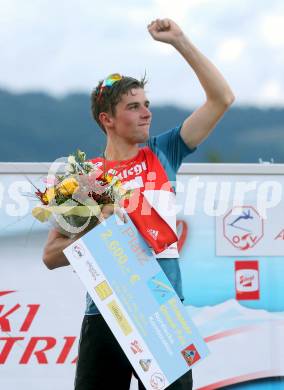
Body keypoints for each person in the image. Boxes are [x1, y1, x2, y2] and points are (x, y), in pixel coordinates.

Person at [42, 18, 235, 390]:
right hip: (106, 313)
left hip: (162, 312)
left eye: (147, 104)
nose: (146, 112)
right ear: (107, 119)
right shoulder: (85, 178)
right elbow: (52, 255)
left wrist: (180, 41)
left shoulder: (163, 153)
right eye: (134, 107)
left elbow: (222, 99)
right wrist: (101, 223)